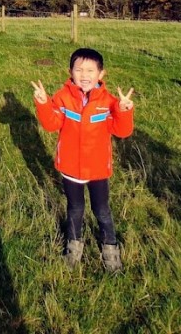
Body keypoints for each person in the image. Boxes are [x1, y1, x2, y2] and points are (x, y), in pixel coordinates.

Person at [30, 47, 134, 272]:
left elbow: (121, 131)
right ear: (70, 72)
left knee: (102, 210)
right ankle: (74, 248)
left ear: (101, 74)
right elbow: (51, 124)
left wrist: (124, 110)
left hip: (97, 169)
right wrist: (43, 103)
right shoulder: (63, 97)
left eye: (90, 70)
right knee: (75, 209)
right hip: (70, 167)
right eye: (79, 70)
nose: (84, 75)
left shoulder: (108, 102)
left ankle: (110, 248)